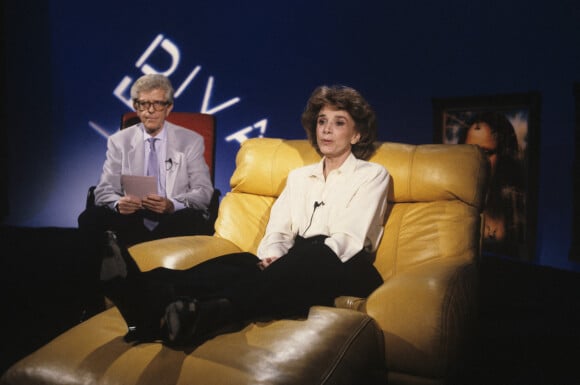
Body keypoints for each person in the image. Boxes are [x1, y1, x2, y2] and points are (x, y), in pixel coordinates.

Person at [100, 85, 390, 346]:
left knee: (312, 256)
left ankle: (197, 311)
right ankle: (149, 291)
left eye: (339, 123)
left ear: (356, 134)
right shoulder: (300, 177)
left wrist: (285, 263)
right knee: (242, 262)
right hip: (299, 260)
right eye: (322, 121)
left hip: (345, 264)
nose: (326, 130)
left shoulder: (372, 175)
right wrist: (274, 256)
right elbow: (278, 230)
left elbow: (349, 237)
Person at [77, 74, 215, 315]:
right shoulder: (119, 141)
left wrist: (172, 204)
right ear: (135, 107)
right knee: (89, 218)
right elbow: (103, 191)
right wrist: (119, 203)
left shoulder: (190, 141)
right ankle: (91, 303)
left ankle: (138, 280)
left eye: (157, 104)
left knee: (190, 218)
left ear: (168, 108)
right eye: (143, 104)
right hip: (133, 219)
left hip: (171, 221)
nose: (150, 111)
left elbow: (204, 193)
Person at [458, 111, 526, 256]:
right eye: (470, 151)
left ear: (503, 155)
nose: (477, 160)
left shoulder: (518, 203)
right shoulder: (451, 201)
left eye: (487, 152)